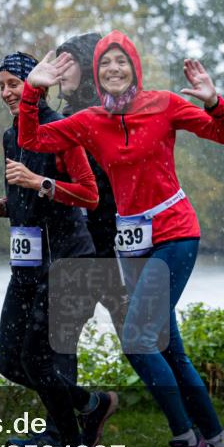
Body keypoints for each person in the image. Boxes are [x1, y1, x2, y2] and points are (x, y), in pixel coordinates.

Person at [17, 31, 224, 447]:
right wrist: (32, 92)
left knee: (139, 340)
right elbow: (33, 139)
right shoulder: (90, 120)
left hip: (175, 233)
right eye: (105, 63)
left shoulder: (164, 104)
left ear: (135, 68)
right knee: (170, 350)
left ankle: (187, 443)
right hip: (132, 245)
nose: (113, 69)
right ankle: (221, 444)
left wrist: (213, 101)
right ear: (97, 73)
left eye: (121, 61)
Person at [0, 51, 118, 447]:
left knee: (39, 360)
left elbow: (88, 194)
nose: (5, 93)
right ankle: (91, 404)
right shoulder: (10, 137)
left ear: (35, 84)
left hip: (68, 261)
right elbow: (25, 199)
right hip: (27, 265)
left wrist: (40, 182)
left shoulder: (61, 131)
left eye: (13, 84)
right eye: (0, 86)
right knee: (10, 362)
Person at [53, 32, 128, 344]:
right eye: (57, 61)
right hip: (79, 247)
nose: (59, 70)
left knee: (140, 339)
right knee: (58, 342)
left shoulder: (111, 117)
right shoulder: (63, 120)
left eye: (67, 61)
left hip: (110, 246)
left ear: (87, 66)